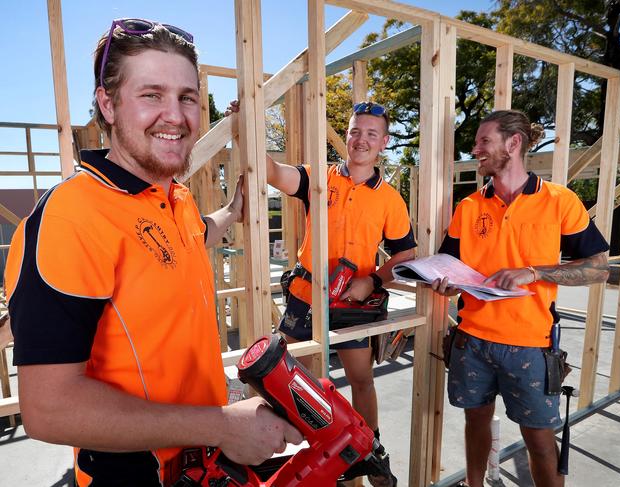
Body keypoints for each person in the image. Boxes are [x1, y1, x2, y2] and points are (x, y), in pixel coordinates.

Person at [5, 19, 301, 487]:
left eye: (187, 97)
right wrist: (224, 424)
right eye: (151, 95)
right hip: (138, 475)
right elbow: (48, 409)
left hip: (202, 464)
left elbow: (194, 236)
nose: (175, 115)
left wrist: (231, 211)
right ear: (107, 103)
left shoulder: (173, 199)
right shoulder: (71, 218)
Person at [430, 110, 610, 487]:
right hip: (472, 340)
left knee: (541, 441)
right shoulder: (469, 207)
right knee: (475, 420)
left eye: (484, 141)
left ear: (513, 143)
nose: (476, 149)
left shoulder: (560, 201)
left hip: (530, 346)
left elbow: (597, 269)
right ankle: (473, 484)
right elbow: (450, 264)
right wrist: (445, 282)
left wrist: (535, 271)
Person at [266, 101, 417, 486]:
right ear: (346, 135)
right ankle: (317, 452)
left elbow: (406, 253)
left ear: (383, 142)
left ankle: (369, 453)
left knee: (361, 378)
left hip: (353, 301)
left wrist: (375, 281)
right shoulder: (320, 178)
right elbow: (273, 173)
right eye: (354, 131)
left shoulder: (390, 199)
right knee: (296, 380)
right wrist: (243, 125)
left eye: (370, 134)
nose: (360, 140)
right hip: (306, 295)